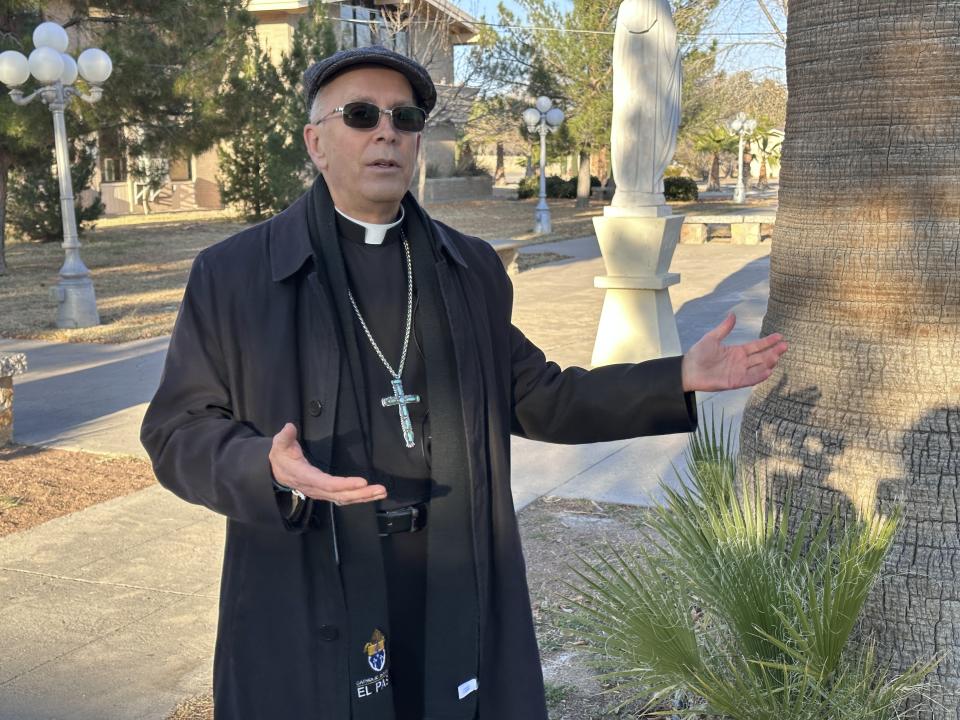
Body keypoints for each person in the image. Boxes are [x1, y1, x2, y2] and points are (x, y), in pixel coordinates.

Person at [140, 45, 787, 720]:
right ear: (316, 142)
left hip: (447, 566)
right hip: (312, 568)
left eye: (405, 116)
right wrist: (262, 466)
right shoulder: (236, 275)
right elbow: (176, 431)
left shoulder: (466, 267)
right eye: (361, 115)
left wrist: (674, 377)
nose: (386, 131)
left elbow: (539, 397)